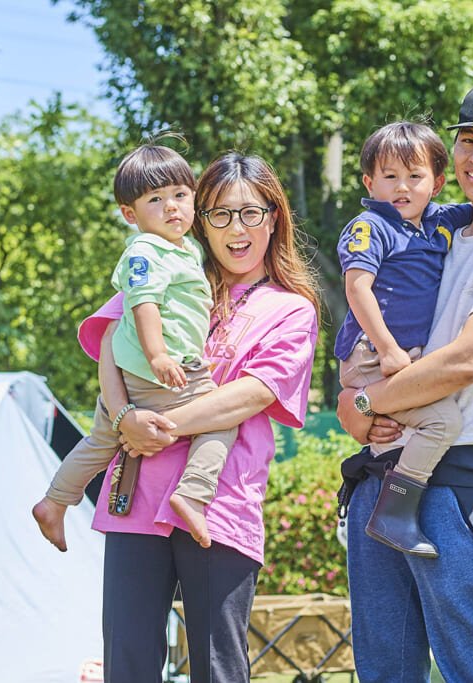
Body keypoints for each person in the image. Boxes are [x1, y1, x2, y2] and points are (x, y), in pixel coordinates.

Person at [336, 83, 473, 682]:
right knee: (383, 672)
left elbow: (467, 360)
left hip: (457, 489)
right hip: (379, 473)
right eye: (469, 142)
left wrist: (362, 401)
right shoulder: (431, 230)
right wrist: (356, 409)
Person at [82, 152, 320, 683]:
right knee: (128, 664)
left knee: (217, 668)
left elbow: (251, 395)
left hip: (218, 505)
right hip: (135, 495)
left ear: (274, 217)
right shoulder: (166, 270)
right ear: (199, 219)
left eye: (251, 213)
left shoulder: (292, 309)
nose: (237, 229)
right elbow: (110, 348)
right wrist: (123, 417)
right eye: (220, 214)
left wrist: (158, 425)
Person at [335, 121, 473, 558]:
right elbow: (356, 288)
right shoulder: (370, 225)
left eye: (414, 177)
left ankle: (393, 502)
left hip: (406, 365)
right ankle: (395, 509)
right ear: (368, 182)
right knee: (442, 422)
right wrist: (386, 355)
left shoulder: (435, 222)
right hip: (374, 355)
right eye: (389, 176)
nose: (402, 187)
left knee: (417, 420)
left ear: (435, 185)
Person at [32, 139, 236, 551]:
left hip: (134, 372)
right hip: (158, 371)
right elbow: (143, 303)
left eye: (180, 195)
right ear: (130, 214)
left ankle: (54, 501)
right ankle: (193, 493)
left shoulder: (186, 249)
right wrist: (158, 353)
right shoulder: (146, 250)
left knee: (102, 441)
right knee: (222, 419)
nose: (172, 207)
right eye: (155, 200)